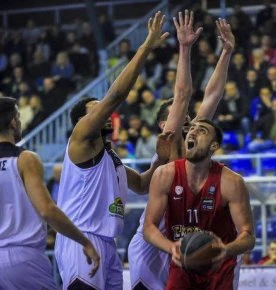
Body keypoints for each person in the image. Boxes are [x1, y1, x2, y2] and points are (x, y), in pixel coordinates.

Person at [54, 12, 172, 290]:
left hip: (108, 243)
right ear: (82, 122)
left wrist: (161, 157)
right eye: (95, 111)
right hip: (82, 238)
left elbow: (143, 185)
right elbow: (116, 96)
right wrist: (145, 48)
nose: (105, 115)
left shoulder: (111, 157)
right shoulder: (81, 141)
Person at [128, 11, 236, 290]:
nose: (189, 121)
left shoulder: (194, 140)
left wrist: (225, 54)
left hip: (183, 240)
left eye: (190, 120)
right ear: (165, 123)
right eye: (181, 117)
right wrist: (185, 48)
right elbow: (182, 95)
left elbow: (212, 96)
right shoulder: (168, 143)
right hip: (152, 242)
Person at [0, 97, 100, 290]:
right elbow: (47, 210)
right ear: (13, 122)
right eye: (18, 117)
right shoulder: (24, 159)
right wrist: (84, 241)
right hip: (23, 259)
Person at [143, 119, 255, 289]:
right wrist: (172, 247)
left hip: (219, 264)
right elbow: (149, 228)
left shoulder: (232, 182)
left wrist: (225, 249)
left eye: (202, 130)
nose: (192, 132)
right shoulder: (165, 174)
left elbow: (248, 236)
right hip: (183, 260)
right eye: (191, 129)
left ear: (213, 146)